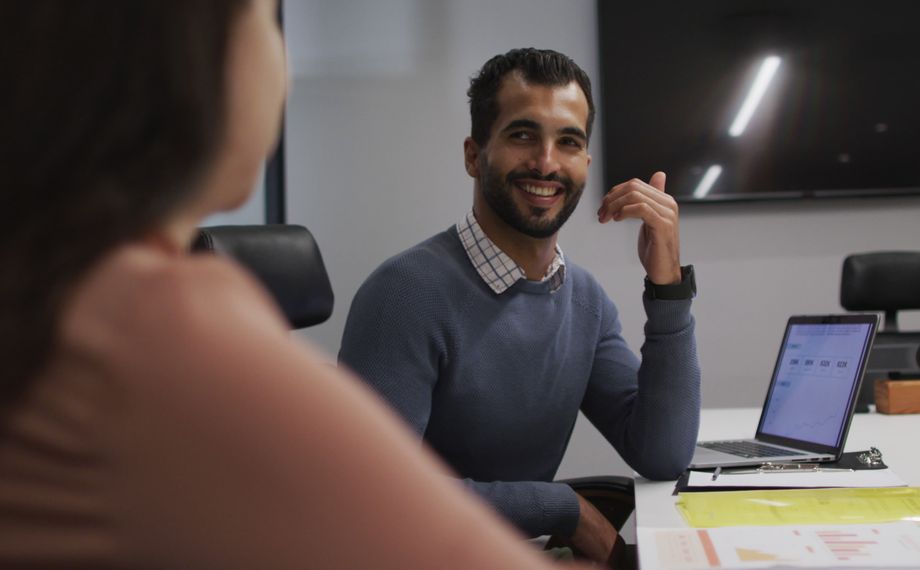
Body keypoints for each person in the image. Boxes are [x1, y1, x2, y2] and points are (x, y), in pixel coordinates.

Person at [0, 4, 582, 568]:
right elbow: (389, 521)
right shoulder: (162, 328)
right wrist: (565, 507)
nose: (287, 72)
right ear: (190, 64)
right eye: (265, 19)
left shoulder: (56, 290)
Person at [338, 48, 701, 564]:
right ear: (473, 154)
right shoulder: (404, 293)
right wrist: (562, 510)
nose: (547, 163)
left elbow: (663, 454)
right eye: (522, 135)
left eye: (568, 142)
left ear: (586, 164)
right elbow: (374, 495)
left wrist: (667, 288)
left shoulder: (585, 301)